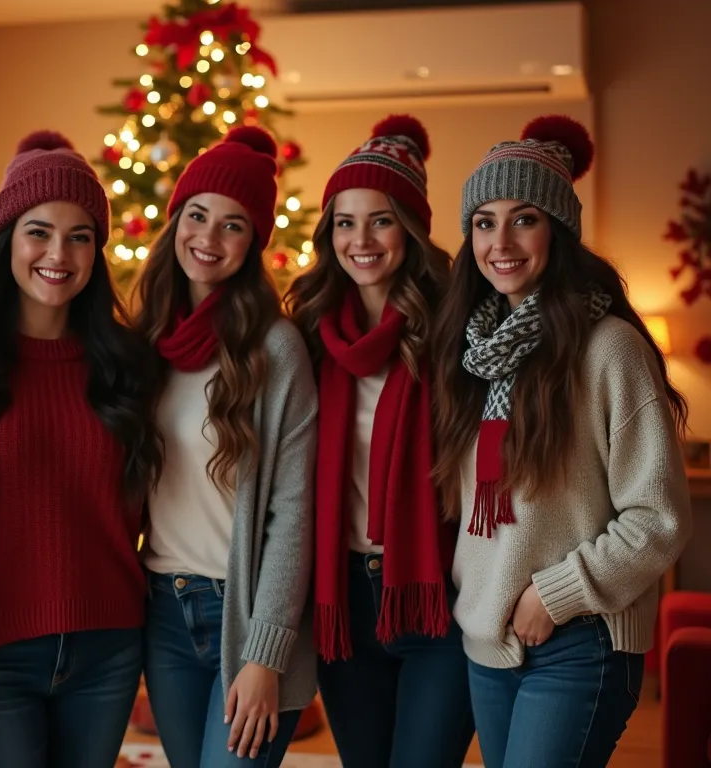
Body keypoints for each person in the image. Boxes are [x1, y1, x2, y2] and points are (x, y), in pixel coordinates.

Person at [433, 115, 693, 767]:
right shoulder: (472, 355)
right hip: (488, 640)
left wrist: (556, 593)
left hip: (581, 637)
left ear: (559, 230)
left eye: (524, 218)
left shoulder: (609, 349)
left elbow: (659, 518)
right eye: (484, 221)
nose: (502, 241)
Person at [0, 131, 162, 768]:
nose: (58, 253)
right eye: (39, 231)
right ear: (7, 239)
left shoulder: (127, 362)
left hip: (108, 647)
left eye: (80, 235)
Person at [285, 114, 474, 768]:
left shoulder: (455, 332)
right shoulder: (308, 336)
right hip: (343, 603)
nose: (360, 239)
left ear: (411, 230)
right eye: (344, 221)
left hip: (437, 601)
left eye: (381, 220)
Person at [133, 126, 318, 768]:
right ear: (175, 219)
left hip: (239, 611)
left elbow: (293, 514)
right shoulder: (145, 340)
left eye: (233, 225)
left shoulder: (275, 348)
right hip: (162, 608)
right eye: (197, 215)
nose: (208, 239)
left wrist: (265, 654)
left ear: (255, 241)